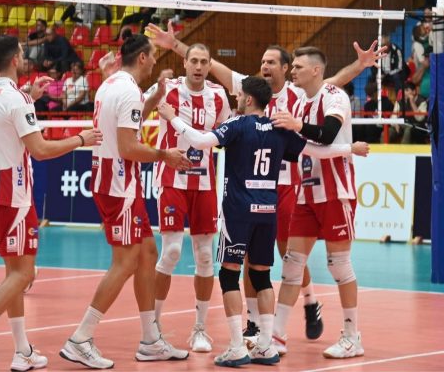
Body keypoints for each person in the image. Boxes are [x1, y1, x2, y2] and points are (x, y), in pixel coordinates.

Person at [149, 23, 385, 346]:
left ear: (286, 69)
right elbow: (209, 65)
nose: (264, 66)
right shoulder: (252, 90)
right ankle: (255, 323)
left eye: (271, 62)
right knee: (256, 259)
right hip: (259, 186)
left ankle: (308, 300)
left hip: (286, 182)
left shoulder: (298, 93)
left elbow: (329, 83)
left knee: (285, 252)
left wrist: (359, 66)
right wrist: (175, 43)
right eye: (262, 61)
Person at [158, 76, 366, 366]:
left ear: (248, 99)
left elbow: (200, 141)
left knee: (229, 275)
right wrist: (349, 148)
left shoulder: (237, 124)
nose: (236, 99)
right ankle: (266, 345)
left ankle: (236, 347)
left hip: (238, 211)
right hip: (267, 210)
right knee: (261, 276)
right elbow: (316, 151)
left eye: (239, 96)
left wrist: (172, 118)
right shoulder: (278, 129)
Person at [0, 36, 103, 372]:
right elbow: (41, 150)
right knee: (24, 273)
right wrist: (81, 139)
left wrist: (30, 96)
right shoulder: (15, 99)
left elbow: (7, 119)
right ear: (16, 59)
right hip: (14, 195)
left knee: (14, 275)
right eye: (22, 52)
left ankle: (23, 351)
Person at [60, 34, 190, 369]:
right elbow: (129, 147)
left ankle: (150, 340)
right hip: (119, 186)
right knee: (126, 261)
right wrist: (165, 155)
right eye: (154, 55)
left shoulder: (111, 84)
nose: (156, 61)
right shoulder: (128, 90)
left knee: (148, 254)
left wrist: (154, 98)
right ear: (143, 57)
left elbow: (127, 121)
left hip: (114, 182)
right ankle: (81, 338)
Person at [268, 47, 369, 359]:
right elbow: (299, 148)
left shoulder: (335, 97)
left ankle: (352, 337)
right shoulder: (299, 101)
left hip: (336, 191)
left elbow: (326, 135)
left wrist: (297, 128)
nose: (292, 71)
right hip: (307, 192)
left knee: (338, 265)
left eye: (297, 67)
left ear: (315, 70)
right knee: (291, 264)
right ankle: (276, 337)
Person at [146, 44, 231, 353]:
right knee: (171, 251)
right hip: (172, 180)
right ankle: (152, 327)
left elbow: (223, 135)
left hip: (205, 183)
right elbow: (136, 109)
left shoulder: (218, 96)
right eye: (193, 60)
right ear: (184, 63)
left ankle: (200, 329)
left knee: (206, 256)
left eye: (203, 61)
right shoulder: (166, 89)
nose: (198, 66)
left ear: (209, 65)